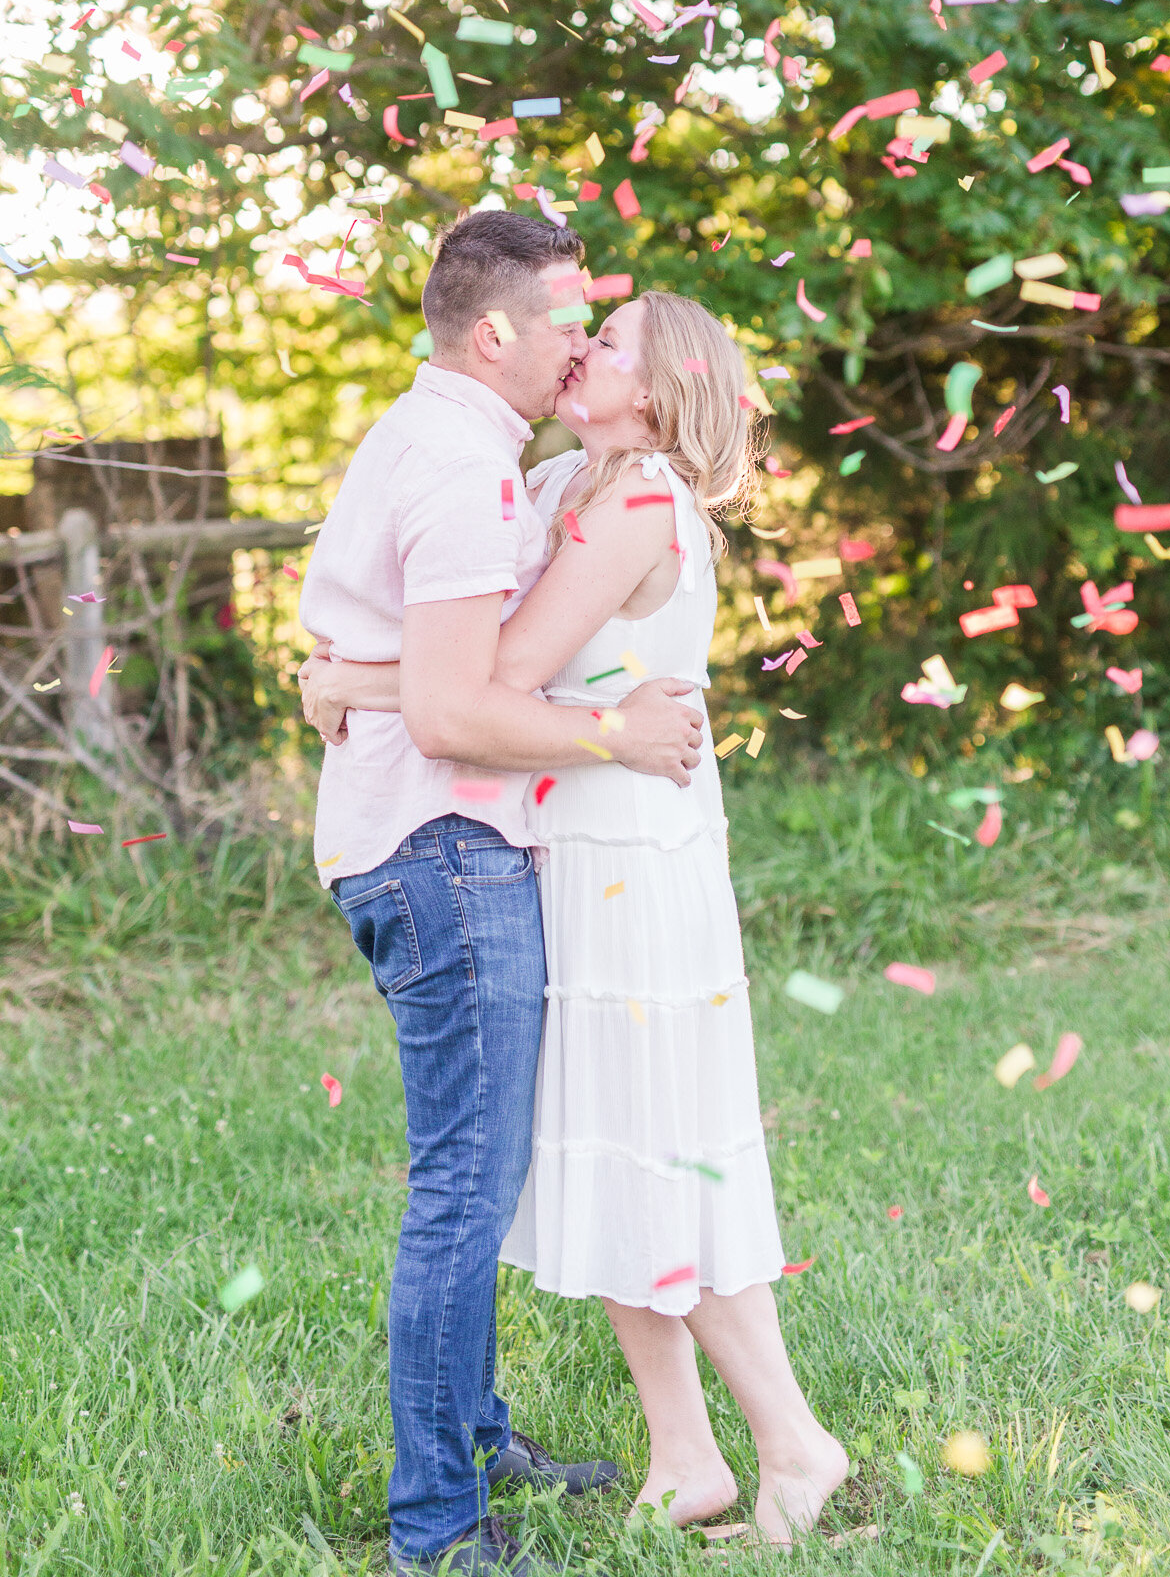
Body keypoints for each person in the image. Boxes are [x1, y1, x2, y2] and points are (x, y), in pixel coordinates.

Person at [301, 285, 848, 1549]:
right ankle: (686, 1455)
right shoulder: (559, 485)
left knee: (655, 1146)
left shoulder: (645, 498)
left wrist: (354, 682)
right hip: (567, 841)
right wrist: (362, 660)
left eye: (608, 343)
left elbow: (502, 671)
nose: (581, 347)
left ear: (651, 395)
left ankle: (795, 1440)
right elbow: (461, 628)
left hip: (632, 859)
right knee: (604, 1151)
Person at [297, 209, 707, 1577]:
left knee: (478, 1172)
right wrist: (615, 738)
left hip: (415, 840)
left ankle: (475, 1438)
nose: (584, 339)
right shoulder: (467, 471)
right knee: (464, 1193)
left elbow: (400, 672)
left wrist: (349, 684)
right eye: (569, 317)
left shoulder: (440, 443)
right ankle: (437, 1527)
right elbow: (463, 712)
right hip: (442, 847)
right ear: (496, 333)